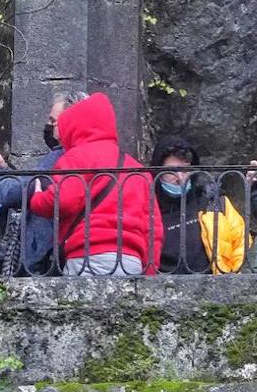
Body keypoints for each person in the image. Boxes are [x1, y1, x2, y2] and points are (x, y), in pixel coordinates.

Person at [28, 92, 162, 276]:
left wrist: (37, 199)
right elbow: (153, 229)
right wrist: (150, 273)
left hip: (88, 255)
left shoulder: (75, 158)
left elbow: (62, 200)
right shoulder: (138, 170)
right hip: (131, 261)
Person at [0, 90, 89, 275]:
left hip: (44, 261)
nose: (49, 127)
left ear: (71, 121)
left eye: (53, 122)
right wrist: (3, 168)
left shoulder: (63, 156)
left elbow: (15, 194)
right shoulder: (78, 154)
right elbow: (31, 187)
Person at [150, 135, 248, 275]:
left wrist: (235, 279)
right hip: (164, 291)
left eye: (185, 170)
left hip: (217, 286)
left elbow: (242, 242)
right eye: (172, 171)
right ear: (158, 171)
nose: (180, 178)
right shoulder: (148, 211)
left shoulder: (213, 202)